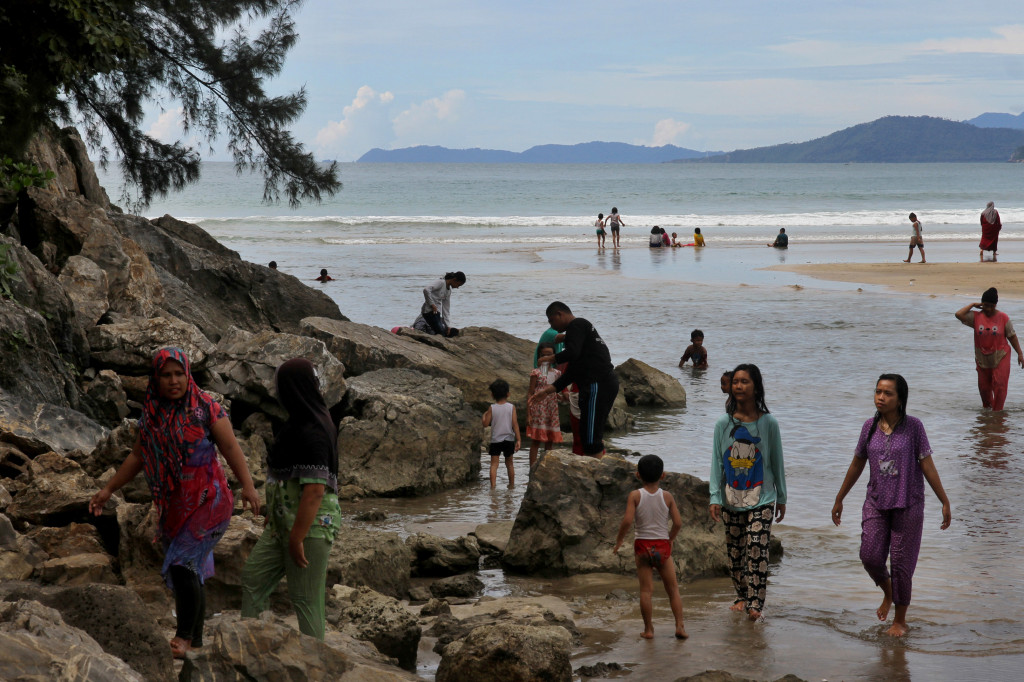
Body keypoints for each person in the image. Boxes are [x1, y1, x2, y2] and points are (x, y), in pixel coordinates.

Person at [88, 348, 260, 658]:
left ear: (188, 374)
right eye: (166, 375)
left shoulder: (206, 407)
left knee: (182, 563)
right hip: (175, 505)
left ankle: (182, 637)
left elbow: (232, 447)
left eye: (179, 373)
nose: (173, 380)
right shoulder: (151, 414)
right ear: (156, 378)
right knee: (190, 569)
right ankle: (196, 640)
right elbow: (138, 457)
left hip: (210, 500)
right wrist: (107, 490)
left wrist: (248, 486)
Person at [831, 374, 952, 637]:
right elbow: (857, 463)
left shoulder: (914, 428)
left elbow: (927, 465)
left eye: (887, 393)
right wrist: (840, 497)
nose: (880, 397)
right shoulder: (869, 428)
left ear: (900, 399)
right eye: (877, 392)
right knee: (870, 556)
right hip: (876, 502)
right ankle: (888, 591)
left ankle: (900, 621)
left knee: (901, 564)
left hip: (908, 502)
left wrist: (944, 500)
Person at [241, 358, 341, 640]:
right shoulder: (296, 425)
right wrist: (274, 516)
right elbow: (285, 478)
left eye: (280, 387)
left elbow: (315, 491)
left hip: (309, 528)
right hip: (281, 525)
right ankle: (252, 646)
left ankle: (313, 668)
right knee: (253, 579)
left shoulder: (316, 430)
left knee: (305, 599)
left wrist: (297, 538)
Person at [709, 364, 786, 622]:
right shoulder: (723, 423)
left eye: (745, 382)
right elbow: (717, 463)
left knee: (756, 547)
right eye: (736, 382)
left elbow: (777, 461)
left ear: (756, 386)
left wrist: (782, 497)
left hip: (762, 498)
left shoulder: (769, 423)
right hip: (731, 498)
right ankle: (742, 596)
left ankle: (756, 604)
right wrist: (714, 497)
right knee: (735, 552)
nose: (739, 386)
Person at [612, 454, 687, 640]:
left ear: (638, 475)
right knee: (673, 589)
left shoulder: (635, 495)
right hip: (662, 546)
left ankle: (649, 630)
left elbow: (628, 520)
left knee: (646, 591)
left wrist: (619, 540)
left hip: (642, 546)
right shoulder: (667, 496)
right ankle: (679, 626)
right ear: (663, 475)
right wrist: (670, 539)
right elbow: (678, 522)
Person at [530, 302, 619, 458]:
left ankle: (596, 474)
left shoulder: (576, 324)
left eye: (552, 321)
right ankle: (595, 469)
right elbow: (571, 372)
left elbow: (572, 351)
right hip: (597, 384)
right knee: (587, 433)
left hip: (598, 384)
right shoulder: (581, 335)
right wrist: (547, 391)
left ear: (560, 314)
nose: (552, 326)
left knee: (591, 439)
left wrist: (550, 358)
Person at [954, 288, 1024, 410]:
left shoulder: (1003, 318)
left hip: (1001, 356)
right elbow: (958, 314)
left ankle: (997, 414)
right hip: (982, 358)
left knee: (1000, 386)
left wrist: (1020, 354)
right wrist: (972, 305)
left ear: (995, 305)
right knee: (984, 389)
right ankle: (988, 420)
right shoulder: (975, 317)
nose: (988, 309)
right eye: (985, 305)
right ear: (982, 304)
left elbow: (1012, 337)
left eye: (991, 306)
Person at [527, 343, 563, 468]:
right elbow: (530, 393)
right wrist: (529, 414)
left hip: (552, 409)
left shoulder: (558, 373)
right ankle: (532, 469)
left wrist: (563, 397)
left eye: (550, 355)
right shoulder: (536, 373)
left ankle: (547, 467)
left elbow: (558, 391)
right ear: (539, 357)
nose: (546, 358)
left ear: (554, 356)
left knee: (550, 440)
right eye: (544, 355)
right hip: (539, 410)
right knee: (536, 441)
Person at [482, 379, 521, 488]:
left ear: (492, 395)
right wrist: (518, 439)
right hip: (509, 440)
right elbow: (515, 424)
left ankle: (493, 487)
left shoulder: (492, 408)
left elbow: (485, 424)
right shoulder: (511, 407)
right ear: (508, 394)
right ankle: (512, 485)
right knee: (510, 464)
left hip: (496, 441)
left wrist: (484, 415)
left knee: (494, 465)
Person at [412, 271, 466, 337]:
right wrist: (432, 304)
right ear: (454, 280)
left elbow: (446, 309)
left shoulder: (448, 291)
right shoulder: (441, 282)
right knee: (441, 333)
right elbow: (426, 290)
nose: (458, 287)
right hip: (428, 311)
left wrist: (448, 326)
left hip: (436, 313)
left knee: (443, 331)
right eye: (458, 285)